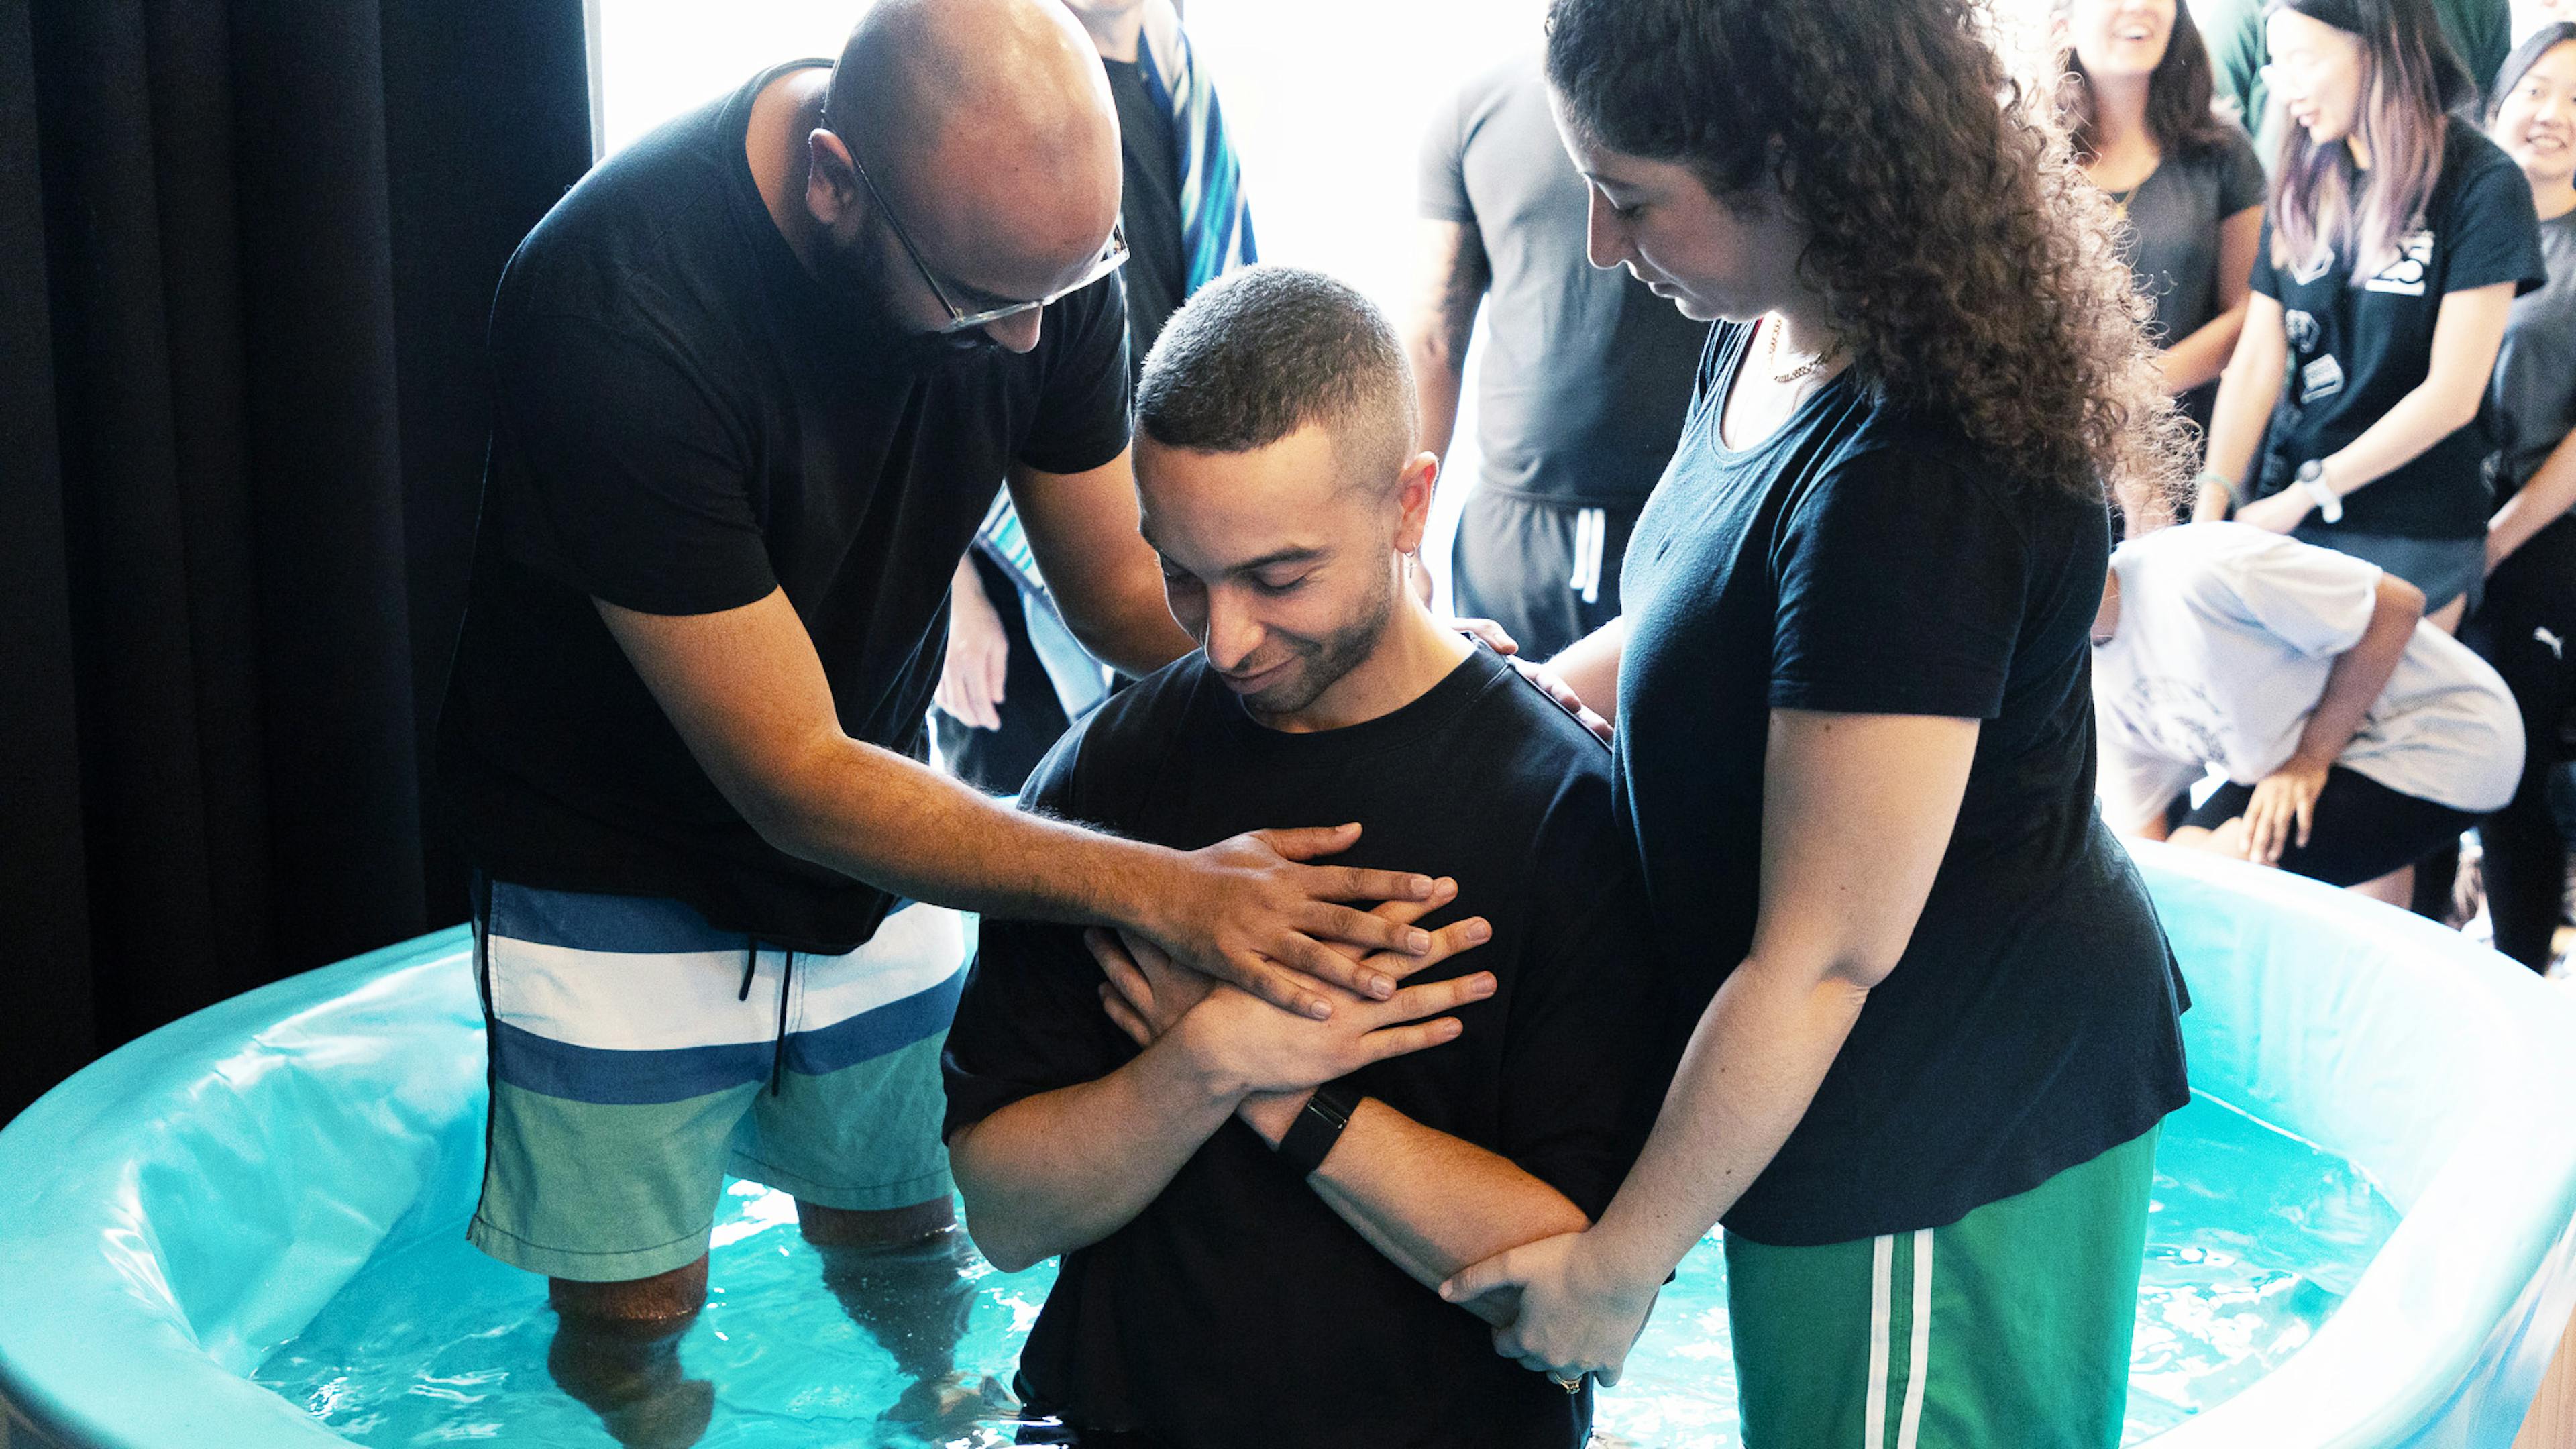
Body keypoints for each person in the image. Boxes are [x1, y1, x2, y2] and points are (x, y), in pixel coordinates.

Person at [433, 2, 1450, 1441]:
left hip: (879, 804)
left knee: (911, 1237)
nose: (1032, 335)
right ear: (840, 183)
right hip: (610, 856)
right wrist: (1175, 893)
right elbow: (790, 776)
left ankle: (946, 1420)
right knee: (635, 1312)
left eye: (1069, 283)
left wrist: (1375, 660)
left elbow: (1113, 585)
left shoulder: (1035, 240)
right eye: (986, 301)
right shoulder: (612, 304)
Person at [1438, 1, 2194, 1444]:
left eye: (1631, 197)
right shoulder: (1775, 326)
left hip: (1939, 1128)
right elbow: (1719, 616)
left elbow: (1829, 952)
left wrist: (1619, 1265)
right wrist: (1537, 693)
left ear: (1797, 168)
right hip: (1836, 1101)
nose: (1602, 243)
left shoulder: (1915, 478)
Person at [941, 266, 1668, 1449]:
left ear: (1409, 507)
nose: (1225, 639)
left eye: (1279, 577)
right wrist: (1207, 1059)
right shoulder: (1104, 780)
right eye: (1182, 571)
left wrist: (1286, 1089)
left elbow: (1574, 1282)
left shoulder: (1565, 815)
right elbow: (1006, 1214)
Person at [934, 0, 1258, 794]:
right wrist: (951, 594)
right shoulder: (983, 64)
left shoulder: (1180, 74)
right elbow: (914, 355)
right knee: (1029, 843)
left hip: (1159, 536)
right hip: (1011, 568)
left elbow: (1233, 315)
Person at [2194, 0, 2547, 633]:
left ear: (2379, 49)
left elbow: (2452, 396)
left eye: (2303, 60)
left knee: (2367, 726)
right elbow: (2257, 359)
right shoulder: (2303, 173)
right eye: (2275, 66)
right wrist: (2213, 495)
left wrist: (2308, 494)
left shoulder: (2485, 184)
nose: (2284, 87)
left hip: (2415, 527)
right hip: (2292, 513)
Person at [1405, 51, 1705, 660]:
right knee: (1508, 747)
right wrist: (1402, 547)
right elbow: (1435, 338)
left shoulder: (1716, 105)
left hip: (1680, 526)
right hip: (1512, 538)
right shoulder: (1475, 109)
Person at [2092, 522, 2522, 902]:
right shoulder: (2084, 674)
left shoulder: (2199, 570)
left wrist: (2310, 759)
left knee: (2222, 867)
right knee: (2188, 858)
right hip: (2322, 754)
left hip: (2451, 732)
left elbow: (2395, 606)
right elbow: (2148, 859)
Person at [2466, 21, 2576, 969]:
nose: (2554, 116)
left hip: (2543, 527)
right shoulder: (2457, 215)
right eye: (2540, 90)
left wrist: (2497, 540)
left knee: (2513, 756)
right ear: (2501, 100)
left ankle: (2519, 972)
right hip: (2433, 517)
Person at [2059, 0, 2267, 486]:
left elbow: (2251, 310)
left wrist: (2135, 386)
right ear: (2062, 21)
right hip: (2060, 457)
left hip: (2190, 456)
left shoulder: (2222, 152)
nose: (2139, 6)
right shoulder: (2031, 153)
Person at [2201, 0, 2512, 158]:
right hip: (2284, 219)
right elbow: (2214, 142)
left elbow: (2491, 116)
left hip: (2439, 214)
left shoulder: (2478, 7)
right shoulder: (2244, 10)